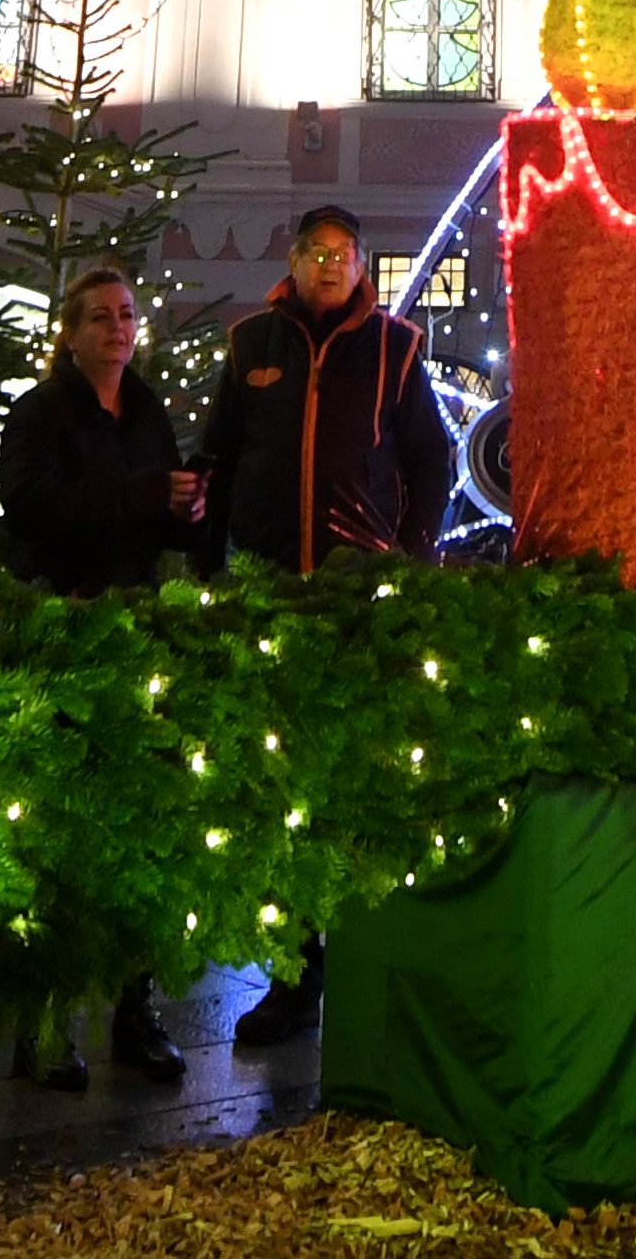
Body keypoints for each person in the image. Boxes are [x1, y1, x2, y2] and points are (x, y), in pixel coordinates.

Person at [197, 203, 456, 1045]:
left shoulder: (395, 346)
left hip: (355, 602)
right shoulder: (249, 346)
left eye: (344, 254)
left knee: (358, 784)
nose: (330, 265)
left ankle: (369, 956)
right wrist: (212, 565)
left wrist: (408, 553)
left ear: (360, 266)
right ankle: (292, 972)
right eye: (315, 252)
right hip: (271, 593)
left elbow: (428, 457)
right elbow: (218, 456)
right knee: (282, 793)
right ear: (294, 259)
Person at [0, 264, 205, 1092]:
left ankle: (135, 1007)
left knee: (141, 826)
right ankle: (43, 1017)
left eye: (126, 315)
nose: (118, 328)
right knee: (59, 832)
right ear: (70, 333)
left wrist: (183, 509)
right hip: (65, 629)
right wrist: (141, 492)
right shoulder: (41, 413)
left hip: (137, 631)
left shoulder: (147, 410)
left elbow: (148, 514)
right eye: (100, 317)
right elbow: (36, 505)